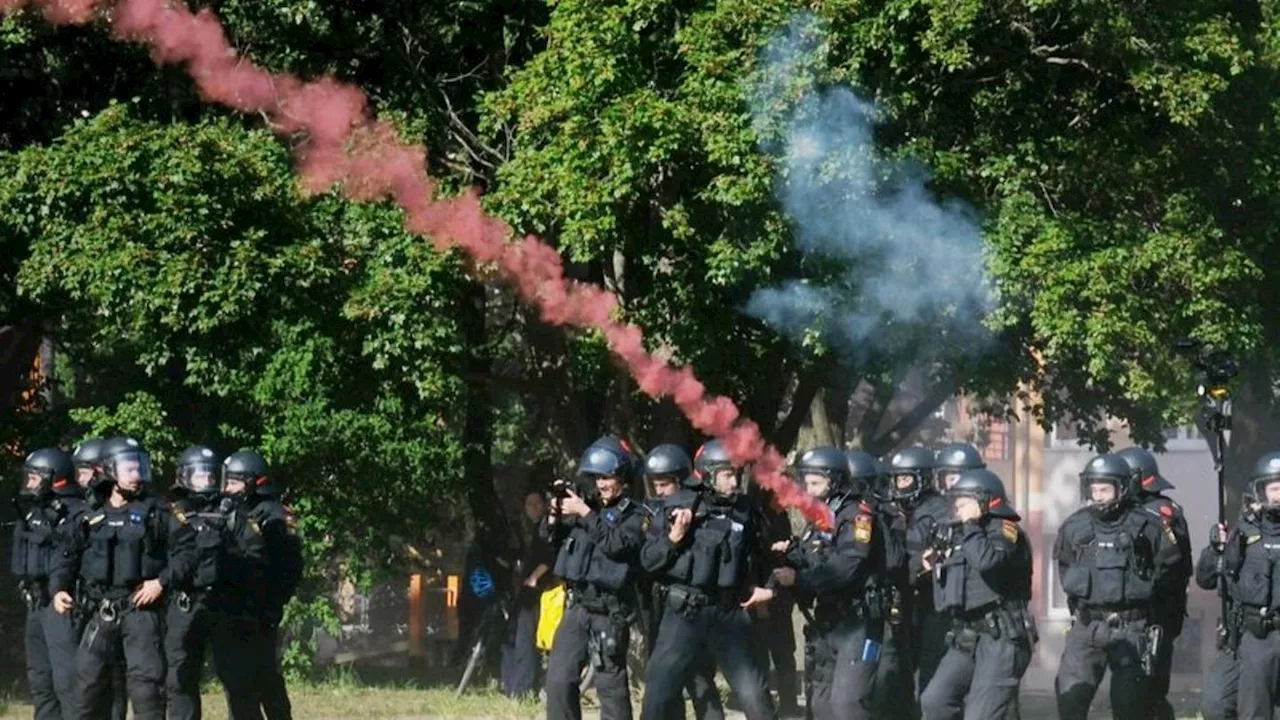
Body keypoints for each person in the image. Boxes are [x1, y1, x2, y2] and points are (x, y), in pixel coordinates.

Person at [51, 436, 197, 720]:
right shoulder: (88, 513)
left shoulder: (158, 511)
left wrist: (161, 582)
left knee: (147, 692)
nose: (137, 474)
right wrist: (59, 588)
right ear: (108, 470)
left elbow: (187, 553)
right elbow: (66, 554)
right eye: (129, 468)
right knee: (83, 691)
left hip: (140, 612)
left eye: (140, 467)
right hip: (99, 612)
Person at [639, 438, 778, 720]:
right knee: (659, 692)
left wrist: (769, 589)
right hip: (684, 612)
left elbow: (766, 555)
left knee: (754, 693)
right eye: (728, 475)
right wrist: (673, 538)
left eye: (737, 474)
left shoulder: (746, 510)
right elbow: (648, 560)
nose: (734, 482)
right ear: (708, 473)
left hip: (728, 613)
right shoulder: (678, 504)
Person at [1053, 454, 1186, 720]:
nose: (1099, 495)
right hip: (1088, 627)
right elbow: (1066, 567)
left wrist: (1158, 623)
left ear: (1122, 488)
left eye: (1106, 489)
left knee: (1130, 707)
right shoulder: (1074, 526)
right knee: (1070, 698)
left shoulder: (1148, 525)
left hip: (1133, 629)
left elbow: (1169, 573)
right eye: (1094, 489)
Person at [774, 446, 886, 720]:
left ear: (835, 480)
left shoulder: (858, 516)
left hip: (857, 623)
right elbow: (811, 554)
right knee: (820, 704)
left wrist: (799, 580)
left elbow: (846, 567)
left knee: (847, 705)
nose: (809, 490)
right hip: (826, 621)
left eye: (816, 483)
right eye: (806, 483)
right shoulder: (821, 516)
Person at [544, 436, 647, 720]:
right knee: (559, 680)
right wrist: (554, 515)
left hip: (609, 612)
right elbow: (550, 541)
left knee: (610, 686)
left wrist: (586, 513)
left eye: (608, 477)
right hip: (577, 607)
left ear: (622, 477)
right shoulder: (586, 508)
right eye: (597, 478)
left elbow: (617, 544)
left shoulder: (636, 515)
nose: (601, 484)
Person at [919, 469, 1035, 719]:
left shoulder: (1005, 531)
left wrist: (971, 524)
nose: (958, 510)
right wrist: (937, 564)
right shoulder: (965, 536)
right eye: (956, 505)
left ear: (985, 501)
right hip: (968, 636)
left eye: (964, 504)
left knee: (981, 715)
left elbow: (986, 560)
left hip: (1002, 637)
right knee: (934, 701)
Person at [642, 444, 726, 720]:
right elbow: (649, 559)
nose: (660, 492)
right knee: (694, 681)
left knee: (665, 682)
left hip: (697, 611)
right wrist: (672, 539)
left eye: (664, 484)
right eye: (655, 485)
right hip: (669, 607)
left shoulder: (709, 510)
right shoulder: (663, 514)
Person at [1116, 446, 1192, 720]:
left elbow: (1171, 566)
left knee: (1150, 688)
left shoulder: (1160, 512)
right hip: (1133, 614)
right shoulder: (1125, 513)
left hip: (1157, 612)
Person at [13, 447, 81, 720]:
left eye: (34, 478)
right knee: (41, 681)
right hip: (35, 603)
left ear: (56, 478)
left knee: (67, 681)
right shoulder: (32, 513)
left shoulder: (73, 513)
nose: (29, 484)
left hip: (60, 606)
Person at [164, 445, 227, 720]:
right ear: (185, 476)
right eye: (200, 476)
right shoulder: (174, 512)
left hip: (224, 602)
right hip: (185, 602)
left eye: (211, 476)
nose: (207, 482)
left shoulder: (229, 511)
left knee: (236, 676)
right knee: (180, 676)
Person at [71, 437, 129, 720]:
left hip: (112, 606)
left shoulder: (120, 510)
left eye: (84, 472)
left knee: (115, 678)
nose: (79, 479)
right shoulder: (82, 511)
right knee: (85, 679)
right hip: (84, 605)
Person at [1195, 485, 1258, 720]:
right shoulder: (1238, 538)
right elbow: (1206, 579)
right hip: (1240, 637)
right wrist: (1216, 549)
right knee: (1216, 703)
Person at [1225, 451, 1280, 718]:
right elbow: (1218, 577)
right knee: (1254, 709)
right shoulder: (1246, 531)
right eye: (1274, 488)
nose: (1279, 494)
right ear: (1261, 491)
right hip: (1260, 634)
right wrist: (1218, 548)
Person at [501, 489, 554, 698]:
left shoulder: (545, 530)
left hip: (536, 592)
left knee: (525, 641)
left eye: (536, 503)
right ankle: (511, 686)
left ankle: (523, 689)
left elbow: (549, 558)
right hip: (522, 591)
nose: (532, 508)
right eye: (529, 504)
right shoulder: (528, 530)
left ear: (544, 505)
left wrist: (534, 578)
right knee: (511, 639)